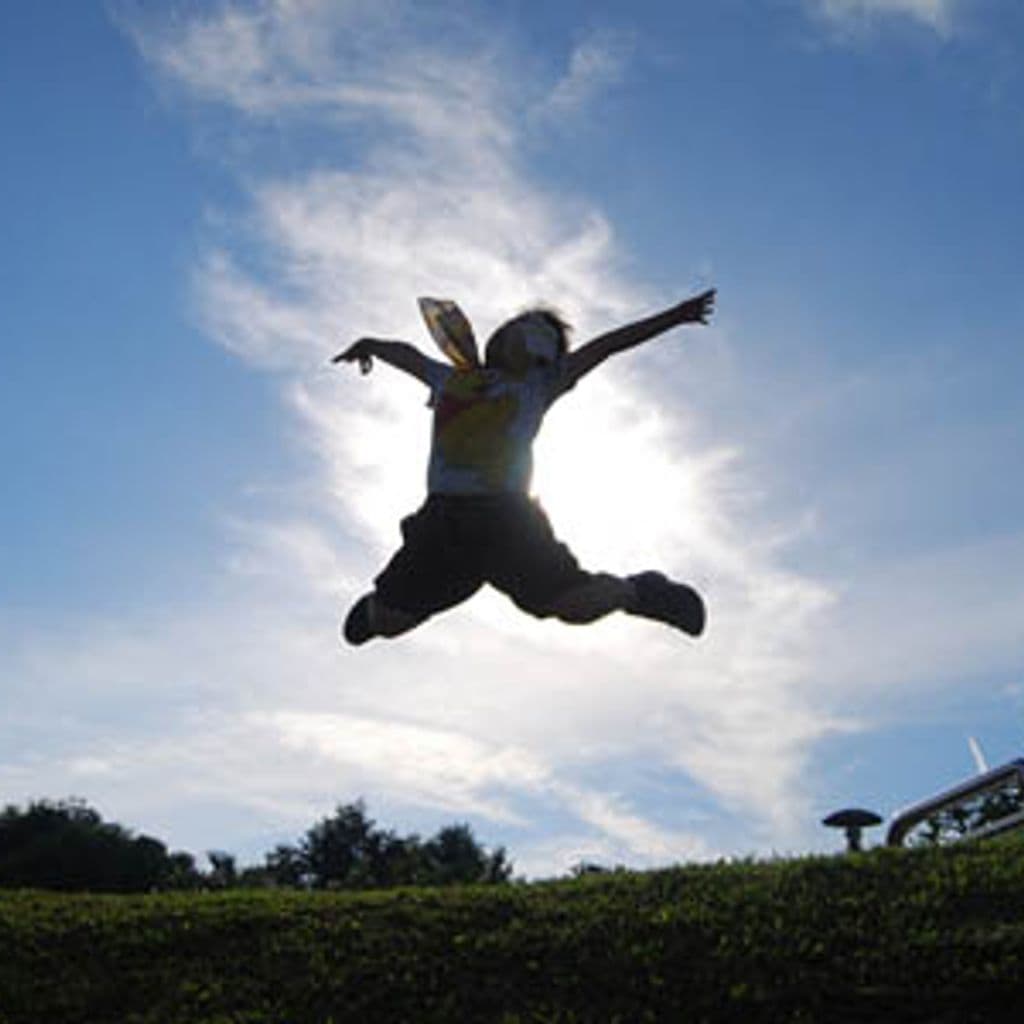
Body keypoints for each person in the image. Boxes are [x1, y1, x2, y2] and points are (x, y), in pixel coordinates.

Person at [332, 288, 716, 645]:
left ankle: (642, 591)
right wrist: (369, 345)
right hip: (443, 518)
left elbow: (607, 345)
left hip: (508, 517)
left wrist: (674, 317)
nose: (530, 340)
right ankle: (389, 603)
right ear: (499, 339)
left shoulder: (540, 385)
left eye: (543, 338)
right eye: (523, 329)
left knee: (574, 605)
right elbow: (408, 355)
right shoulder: (453, 378)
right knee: (386, 622)